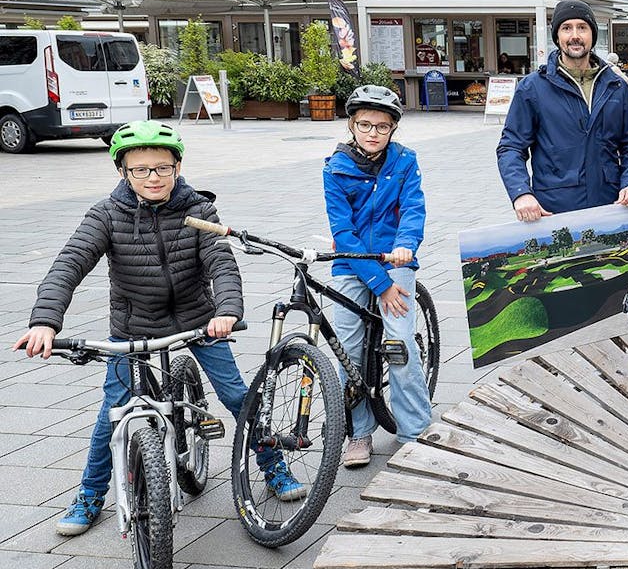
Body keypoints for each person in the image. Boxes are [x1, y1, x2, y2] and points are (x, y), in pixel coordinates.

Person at [14, 121, 305, 536]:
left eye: (163, 168)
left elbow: (221, 263)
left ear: (178, 166)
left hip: (198, 322)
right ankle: (91, 494)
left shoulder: (199, 210)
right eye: (141, 169)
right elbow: (69, 263)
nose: (153, 178)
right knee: (113, 411)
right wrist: (45, 321)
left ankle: (272, 464)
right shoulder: (106, 215)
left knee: (237, 394)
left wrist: (226, 310)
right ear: (122, 172)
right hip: (132, 327)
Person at [324, 85, 432, 468]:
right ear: (352, 125)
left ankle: (415, 430)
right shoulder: (334, 167)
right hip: (353, 261)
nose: (373, 133)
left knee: (400, 345)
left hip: (394, 257)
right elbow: (344, 232)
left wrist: (405, 247)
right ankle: (360, 432)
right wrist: (380, 285)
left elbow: (413, 210)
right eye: (365, 124)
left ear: (393, 130)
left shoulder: (405, 162)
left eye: (382, 127)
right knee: (347, 349)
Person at [498, 0, 628, 220]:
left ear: (592, 35)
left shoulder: (616, 87)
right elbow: (511, 147)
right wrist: (521, 194)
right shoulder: (533, 88)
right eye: (567, 28)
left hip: (609, 206)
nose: (575, 35)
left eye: (582, 27)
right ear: (557, 37)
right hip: (553, 210)